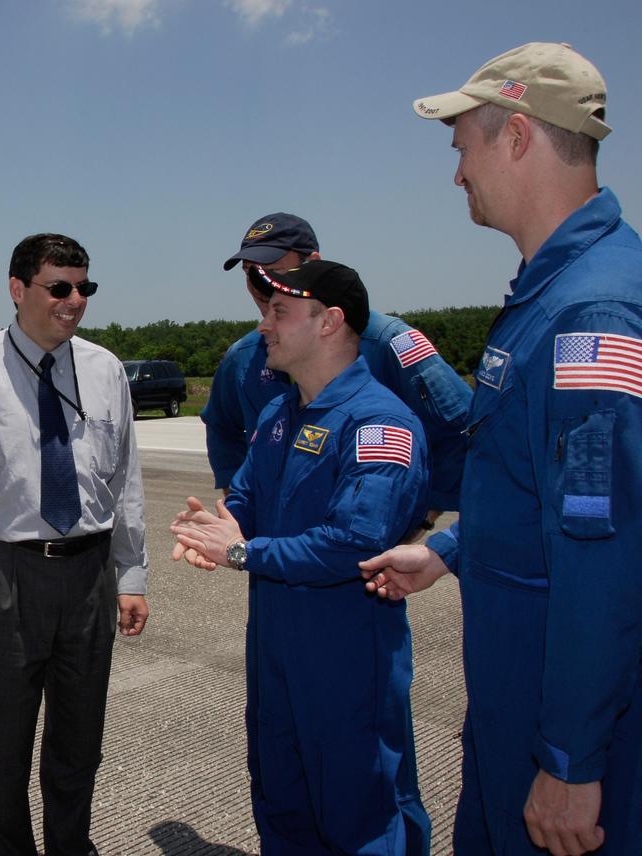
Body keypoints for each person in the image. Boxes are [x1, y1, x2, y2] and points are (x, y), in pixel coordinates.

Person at [360, 43, 642, 855]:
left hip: (561, 723)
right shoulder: (550, 292)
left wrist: (569, 760)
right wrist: (451, 548)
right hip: (518, 698)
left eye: (464, 148)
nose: (458, 175)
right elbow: (530, 486)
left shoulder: (591, 317)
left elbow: (604, 548)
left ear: (516, 136)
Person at [173, 261, 432, 854]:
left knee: (360, 814)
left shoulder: (378, 423)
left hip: (345, 651)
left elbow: (355, 541)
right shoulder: (276, 416)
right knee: (282, 800)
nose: (263, 325)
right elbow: (246, 499)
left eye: (278, 312)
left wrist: (238, 549)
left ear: (329, 322)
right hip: (276, 649)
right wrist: (220, 524)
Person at [0, 233, 149, 856]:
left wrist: (130, 575)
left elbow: (125, 479)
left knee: (79, 744)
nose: (74, 301)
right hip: (5, 574)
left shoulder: (105, 372)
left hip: (89, 576)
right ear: (18, 289)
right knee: (0, 748)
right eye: (60, 287)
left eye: (84, 288)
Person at [202, 212, 472, 521]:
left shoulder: (386, 342)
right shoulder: (245, 356)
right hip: (275, 552)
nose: (261, 286)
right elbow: (221, 426)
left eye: (274, 271)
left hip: (365, 549)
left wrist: (422, 517)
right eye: (251, 273)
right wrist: (239, 509)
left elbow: (462, 428)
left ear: (312, 262)